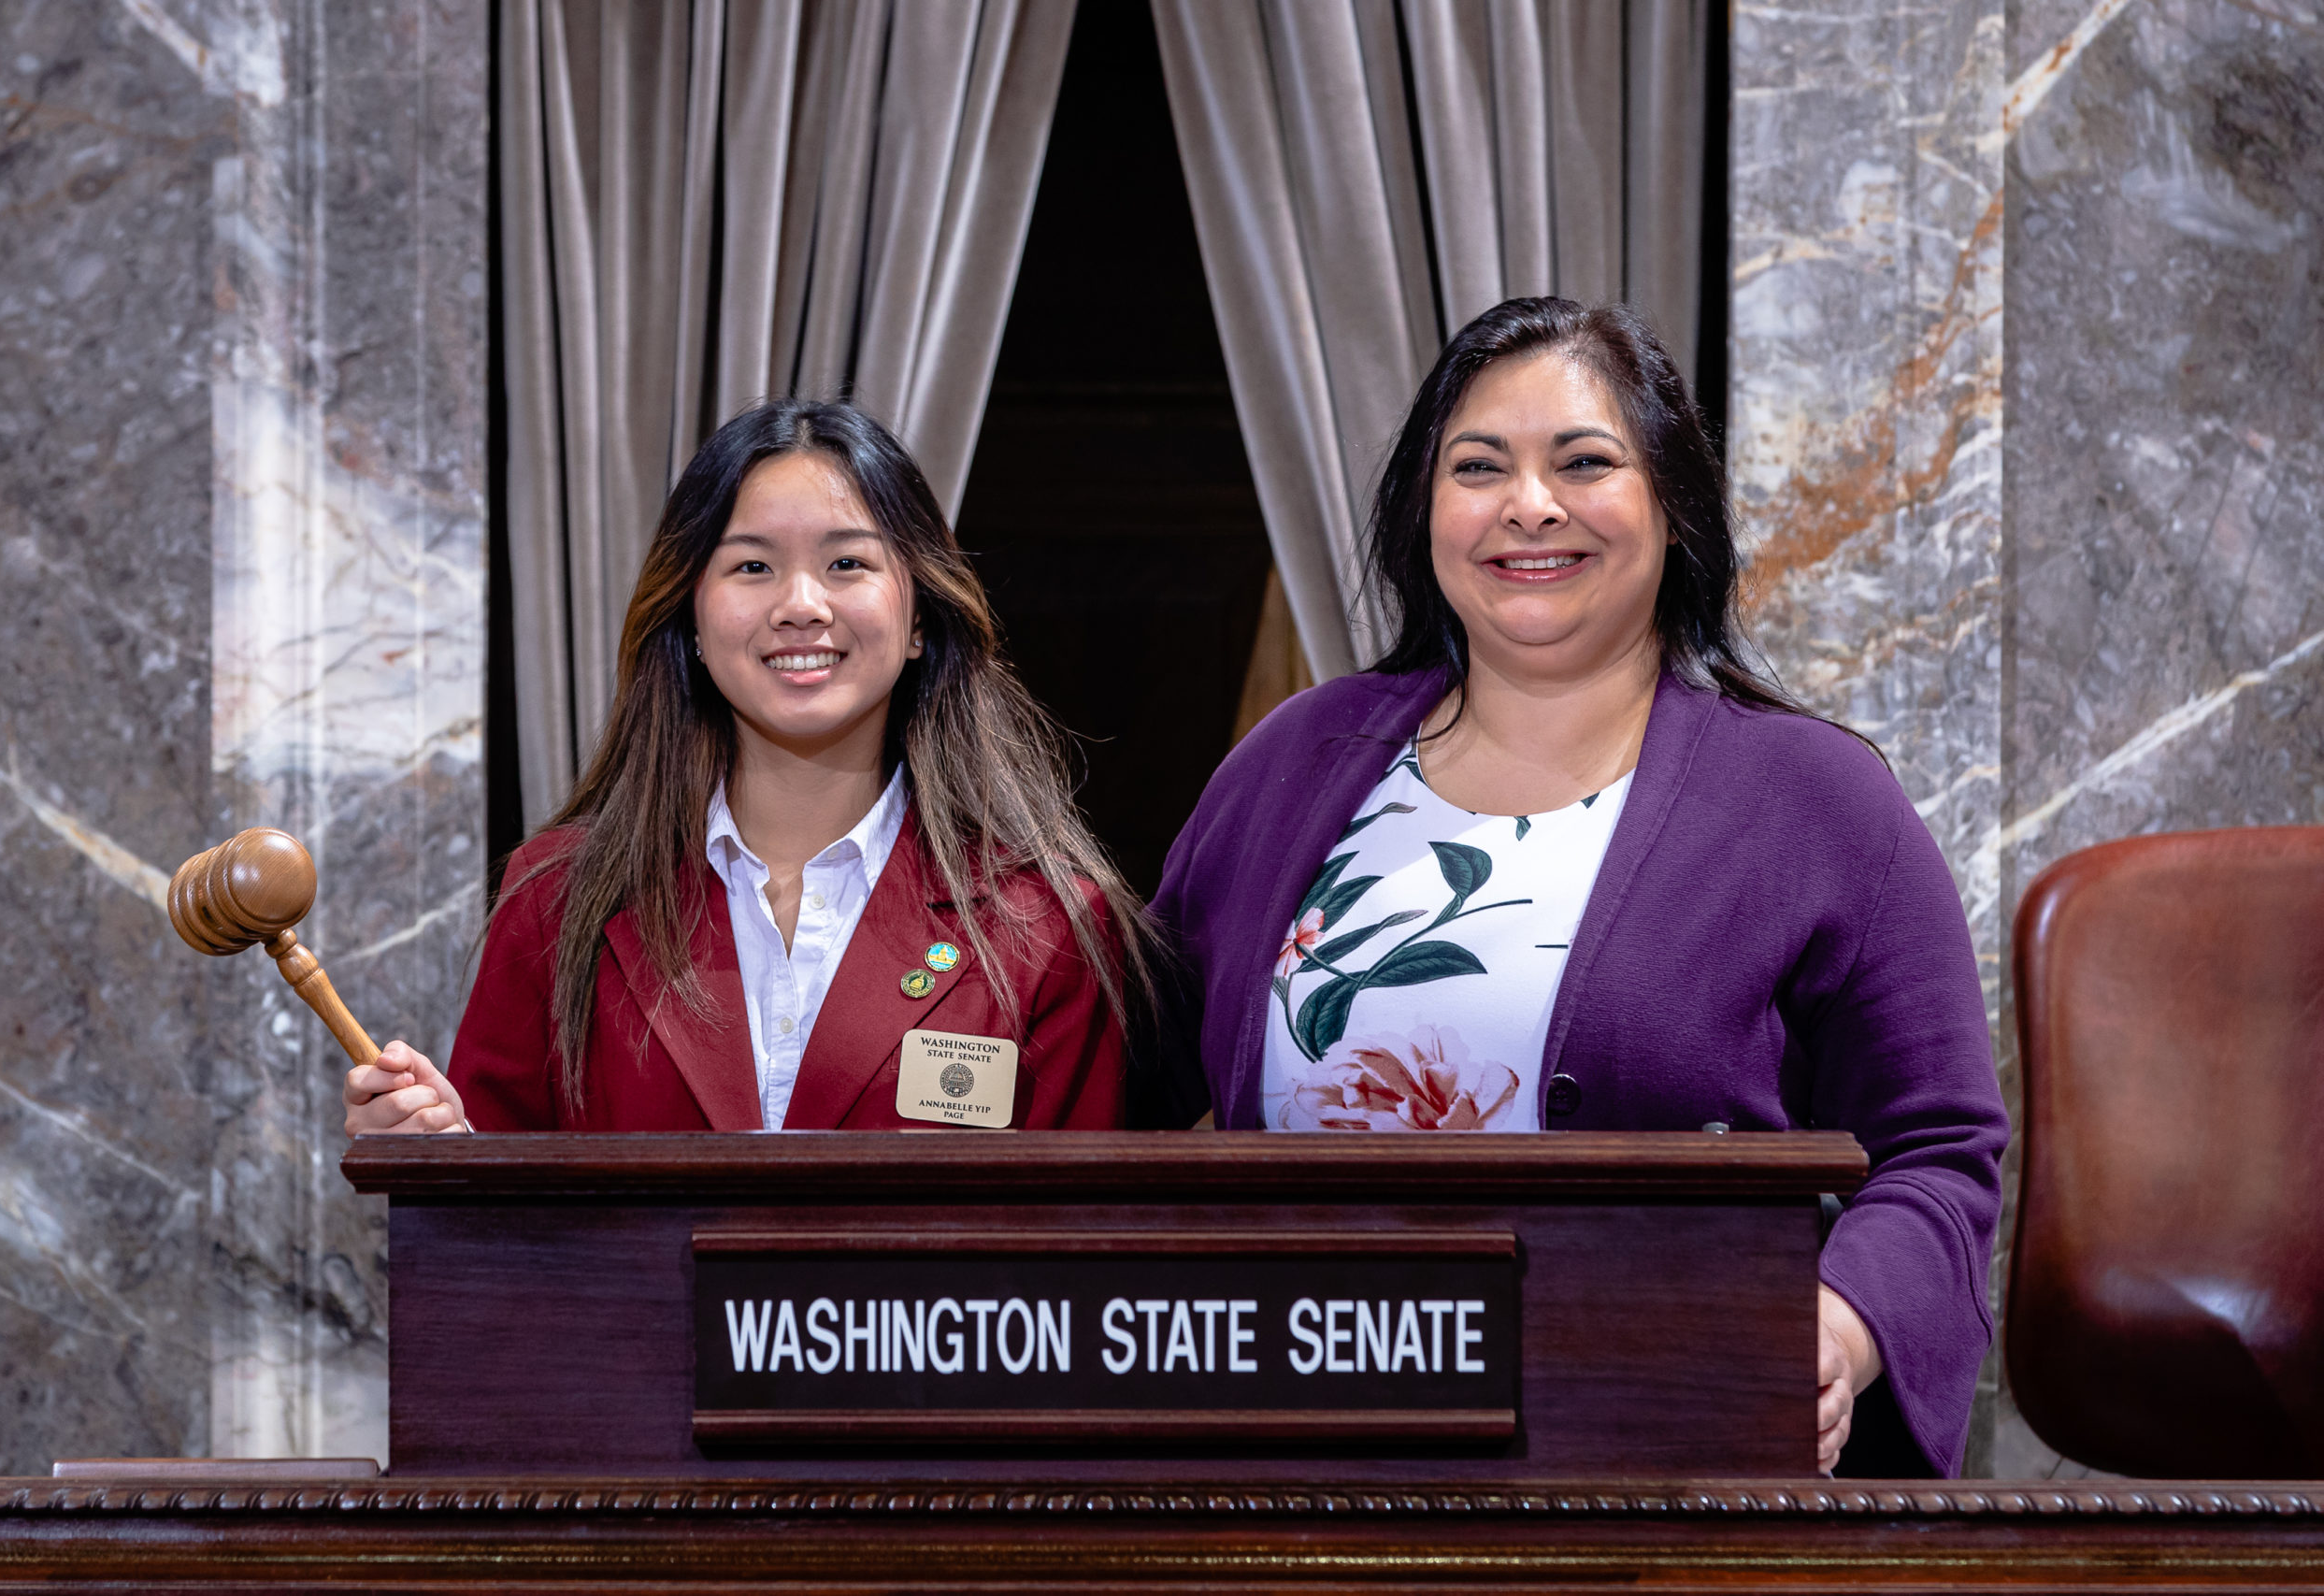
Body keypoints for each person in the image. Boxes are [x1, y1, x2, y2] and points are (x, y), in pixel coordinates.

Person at [1150, 298, 2007, 1478]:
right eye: (1478, 468)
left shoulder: (1818, 798)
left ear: (1672, 506)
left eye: (1584, 462)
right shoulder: (1298, 763)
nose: (1529, 506)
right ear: (1424, 511)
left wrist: (1838, 1330)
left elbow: (1937, 1150)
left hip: (1662, 1452)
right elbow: (1122, 1076)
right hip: (1314, 1454)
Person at [345, 399, 1147, 1134]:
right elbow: (493, 1250)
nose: (802, 603)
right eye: (752, 566)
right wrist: (443, 1158)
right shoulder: (557, 902)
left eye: (848, 564)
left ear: (917, 620)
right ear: (691, 619)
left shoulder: (1044, 924)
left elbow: (1063, 1267)